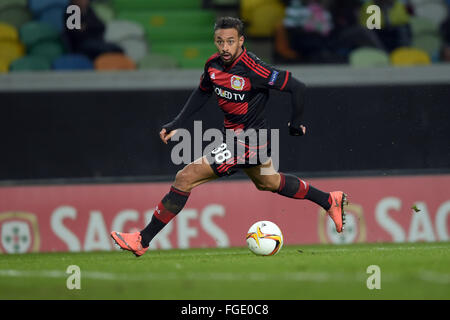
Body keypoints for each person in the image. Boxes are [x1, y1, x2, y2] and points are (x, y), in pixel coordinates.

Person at [111, 17, 348, 257]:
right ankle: (329, 200)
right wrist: (177, 123)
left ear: (241, 41)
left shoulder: (255, 69)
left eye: (230, 41)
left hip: (250, 142)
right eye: (220, 41)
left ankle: (142, 239)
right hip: (236, 139)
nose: (224, 47)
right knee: (269, 182)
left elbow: (297, 87)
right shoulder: (212, 65)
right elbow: (202, 93)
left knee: (186, 176)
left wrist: (295, 124)